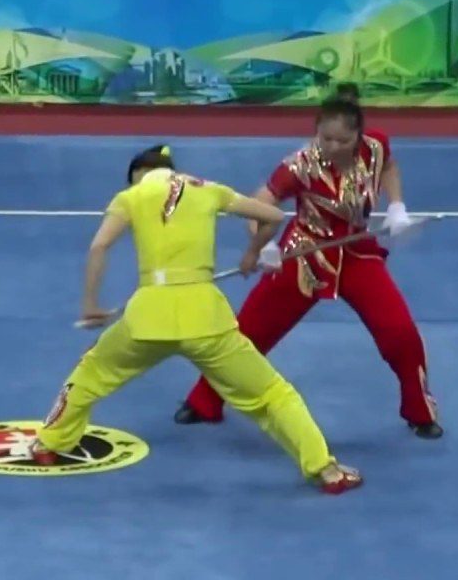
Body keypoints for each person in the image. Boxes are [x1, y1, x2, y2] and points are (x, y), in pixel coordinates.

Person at [30, 145, 363, 494]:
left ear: (139, 173)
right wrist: (254, 253)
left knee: (92, 372)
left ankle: (49, 443)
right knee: (272, 394)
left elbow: (99, 246)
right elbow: (273, 217)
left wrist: (90, 305)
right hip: (207, 320)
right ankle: (326, 470)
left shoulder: (131, 197)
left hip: (148, 319)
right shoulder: (210, 189)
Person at [175, 96, 443, 439]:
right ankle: (204, 401)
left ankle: (420, 411)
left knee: (400, 333)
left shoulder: (376, 147)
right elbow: (259, 204)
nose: (332, 147)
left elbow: (389, 167)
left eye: (342, 141)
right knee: (251, 331)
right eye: (325, 138)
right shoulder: (299, 166)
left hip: (358, 254)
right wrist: (264, 246)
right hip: (304, 255)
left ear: (359, 136)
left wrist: (396, 206)